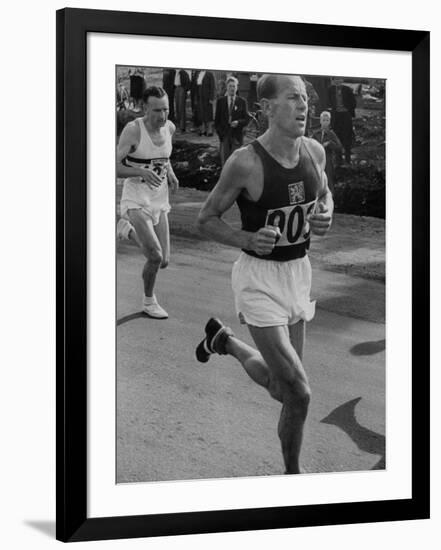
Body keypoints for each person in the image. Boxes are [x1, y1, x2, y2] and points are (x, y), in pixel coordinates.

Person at [196, 74, 333, 474]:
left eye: (305, 98)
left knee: (283, 389)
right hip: (258, 280)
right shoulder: (245, 162)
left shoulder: (315, 152)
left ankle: (226, 343)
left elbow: (324, 193)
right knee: (300, 393)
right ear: (267, 108)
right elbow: (205, 220)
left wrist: (326, 213)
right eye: (293, 98)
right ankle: (293, 477)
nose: (304, 106)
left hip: (298, 274)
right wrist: (246, 238)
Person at [116, 86, 179, 319]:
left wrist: (170, 174)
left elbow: (165, 157)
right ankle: (148, 302)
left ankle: (127, 232)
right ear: (144, 108)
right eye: (157, 110)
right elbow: (113, 166)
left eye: (166, 110)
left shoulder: (169, 128)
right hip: (136, 198)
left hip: (159, 198)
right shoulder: (133, 131)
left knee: (164, 260)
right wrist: (141, 172)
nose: (163, 116)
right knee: (154, 255)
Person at [214, 76, 250, 165]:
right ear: (227, 87)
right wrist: (221, 135)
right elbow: (216, 121)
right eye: (230, 86)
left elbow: (246, 119)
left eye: (234, 86)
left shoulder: (242, 101)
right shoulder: (220, 102)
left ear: (237, 88)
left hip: (237, 137)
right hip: (224, 136)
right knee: (225, 163)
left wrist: (238, 122)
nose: (232, 88)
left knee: (236, 163)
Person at [327, 77, 356, 165]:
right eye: (336, 79)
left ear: (342, 80)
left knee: (347, 136)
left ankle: (348, 158)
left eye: (339, 79)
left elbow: (353, 103)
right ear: (333, 81)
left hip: (346, 115)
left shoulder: (347, 89)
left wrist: (348, 111)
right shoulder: (330, 89)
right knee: (336, 136)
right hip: (336, 116)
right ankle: (338, 160)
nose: (338, 81)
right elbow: (328, 101)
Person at [311, 111, 342, 192]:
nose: (325, 122)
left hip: (328, 161)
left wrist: (329, 143)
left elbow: (339, 147)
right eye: (324, 120)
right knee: (317, 181)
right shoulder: (316, 134)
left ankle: (330, 200)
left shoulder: (331, 134)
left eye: (327, 120)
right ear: (320, 121)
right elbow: (310, 146)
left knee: (328, 182)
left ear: (329, 122)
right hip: (317, 162)